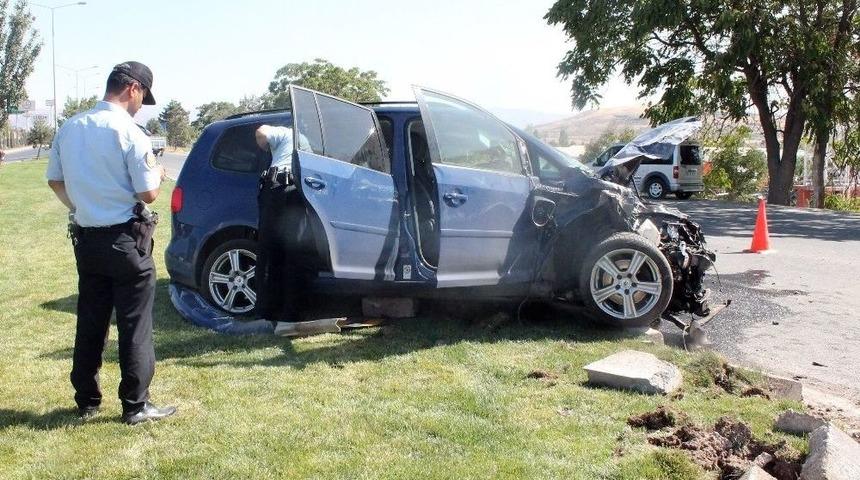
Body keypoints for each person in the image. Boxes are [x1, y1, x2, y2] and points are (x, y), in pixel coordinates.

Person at [46, 61, 176, 425]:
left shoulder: (70, 127)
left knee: (91, 320)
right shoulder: (130, 132)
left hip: (87, 240)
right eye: (142, 98)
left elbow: (55, 181)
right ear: (133, 88)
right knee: (134, 324)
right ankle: (135, 405)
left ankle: (86, 398)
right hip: (126, 240)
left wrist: (83, 205)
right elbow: (147, 193)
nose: (141, 106)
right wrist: (159, 174)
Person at [254, 125, 312, 326]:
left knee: (276, 253)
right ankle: (282, 313)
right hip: (285, 189)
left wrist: (266, 149)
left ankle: (270, 311)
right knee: (286, 252)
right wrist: (266, 147)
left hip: (280, 190)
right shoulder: (290, 133)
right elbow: (262, 131)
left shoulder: (305, 140)